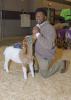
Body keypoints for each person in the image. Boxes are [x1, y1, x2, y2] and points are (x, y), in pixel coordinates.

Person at [32, 8, 67, 78]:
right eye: (36, 16)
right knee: (28, 56)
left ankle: (62, 63)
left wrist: (38, 34)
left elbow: (49, 46)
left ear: (45, 17)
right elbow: (35, 38)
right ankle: (36, 66)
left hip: (45, 55)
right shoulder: (38, 26)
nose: (37, 17)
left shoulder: (50, 28)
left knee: (44, 74)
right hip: (37, 53)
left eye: (40, 16)